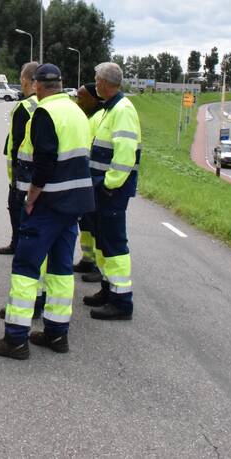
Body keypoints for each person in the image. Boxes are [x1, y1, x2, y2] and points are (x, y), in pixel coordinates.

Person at [0, 64, 94, 359]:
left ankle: (15, 339)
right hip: (72, 204)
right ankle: (57, 334)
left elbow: (44, 162)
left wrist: (31, 198)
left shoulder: (44, 113)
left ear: (37, 85)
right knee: (60, 270)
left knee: (25, 268)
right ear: (60, 83)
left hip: (47, 204)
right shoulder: (75, 111)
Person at [83, 62, 141, 320]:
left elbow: (125, 155)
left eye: (97, 80)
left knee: (115, 244)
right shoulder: (110, 108)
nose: (95, 84)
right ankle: (108, 289)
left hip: (111, 191)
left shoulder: (123, 110)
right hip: (101, 188)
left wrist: (109, 184)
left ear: (105, 83)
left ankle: (121, 301)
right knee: (103, 242)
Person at [0, 61, 39, 255]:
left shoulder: (23, 107)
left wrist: (15, 172)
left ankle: (18, 242)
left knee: (16, 205)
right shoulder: (46, 102)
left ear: (25, 80)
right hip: (41, 166)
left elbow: (17, 143)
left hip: (22, 168)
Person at [73, 83, 102, 281]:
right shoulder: (89, 116)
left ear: (94, 99)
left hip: (95, 180)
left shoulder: (99, 118)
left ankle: (98, 267)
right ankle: (88, 258)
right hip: (86, 179)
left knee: (97, 225)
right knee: (85, 222)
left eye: (82, 97)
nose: (78, 101)